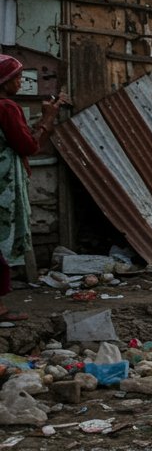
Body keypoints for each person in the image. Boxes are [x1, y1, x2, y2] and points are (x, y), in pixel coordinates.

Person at [0, 55, 64, 321]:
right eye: (16, 77)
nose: (20, 82)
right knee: (3, 236)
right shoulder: (6, 107)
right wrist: (48, 119)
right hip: (3, 181)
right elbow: (27, 146)